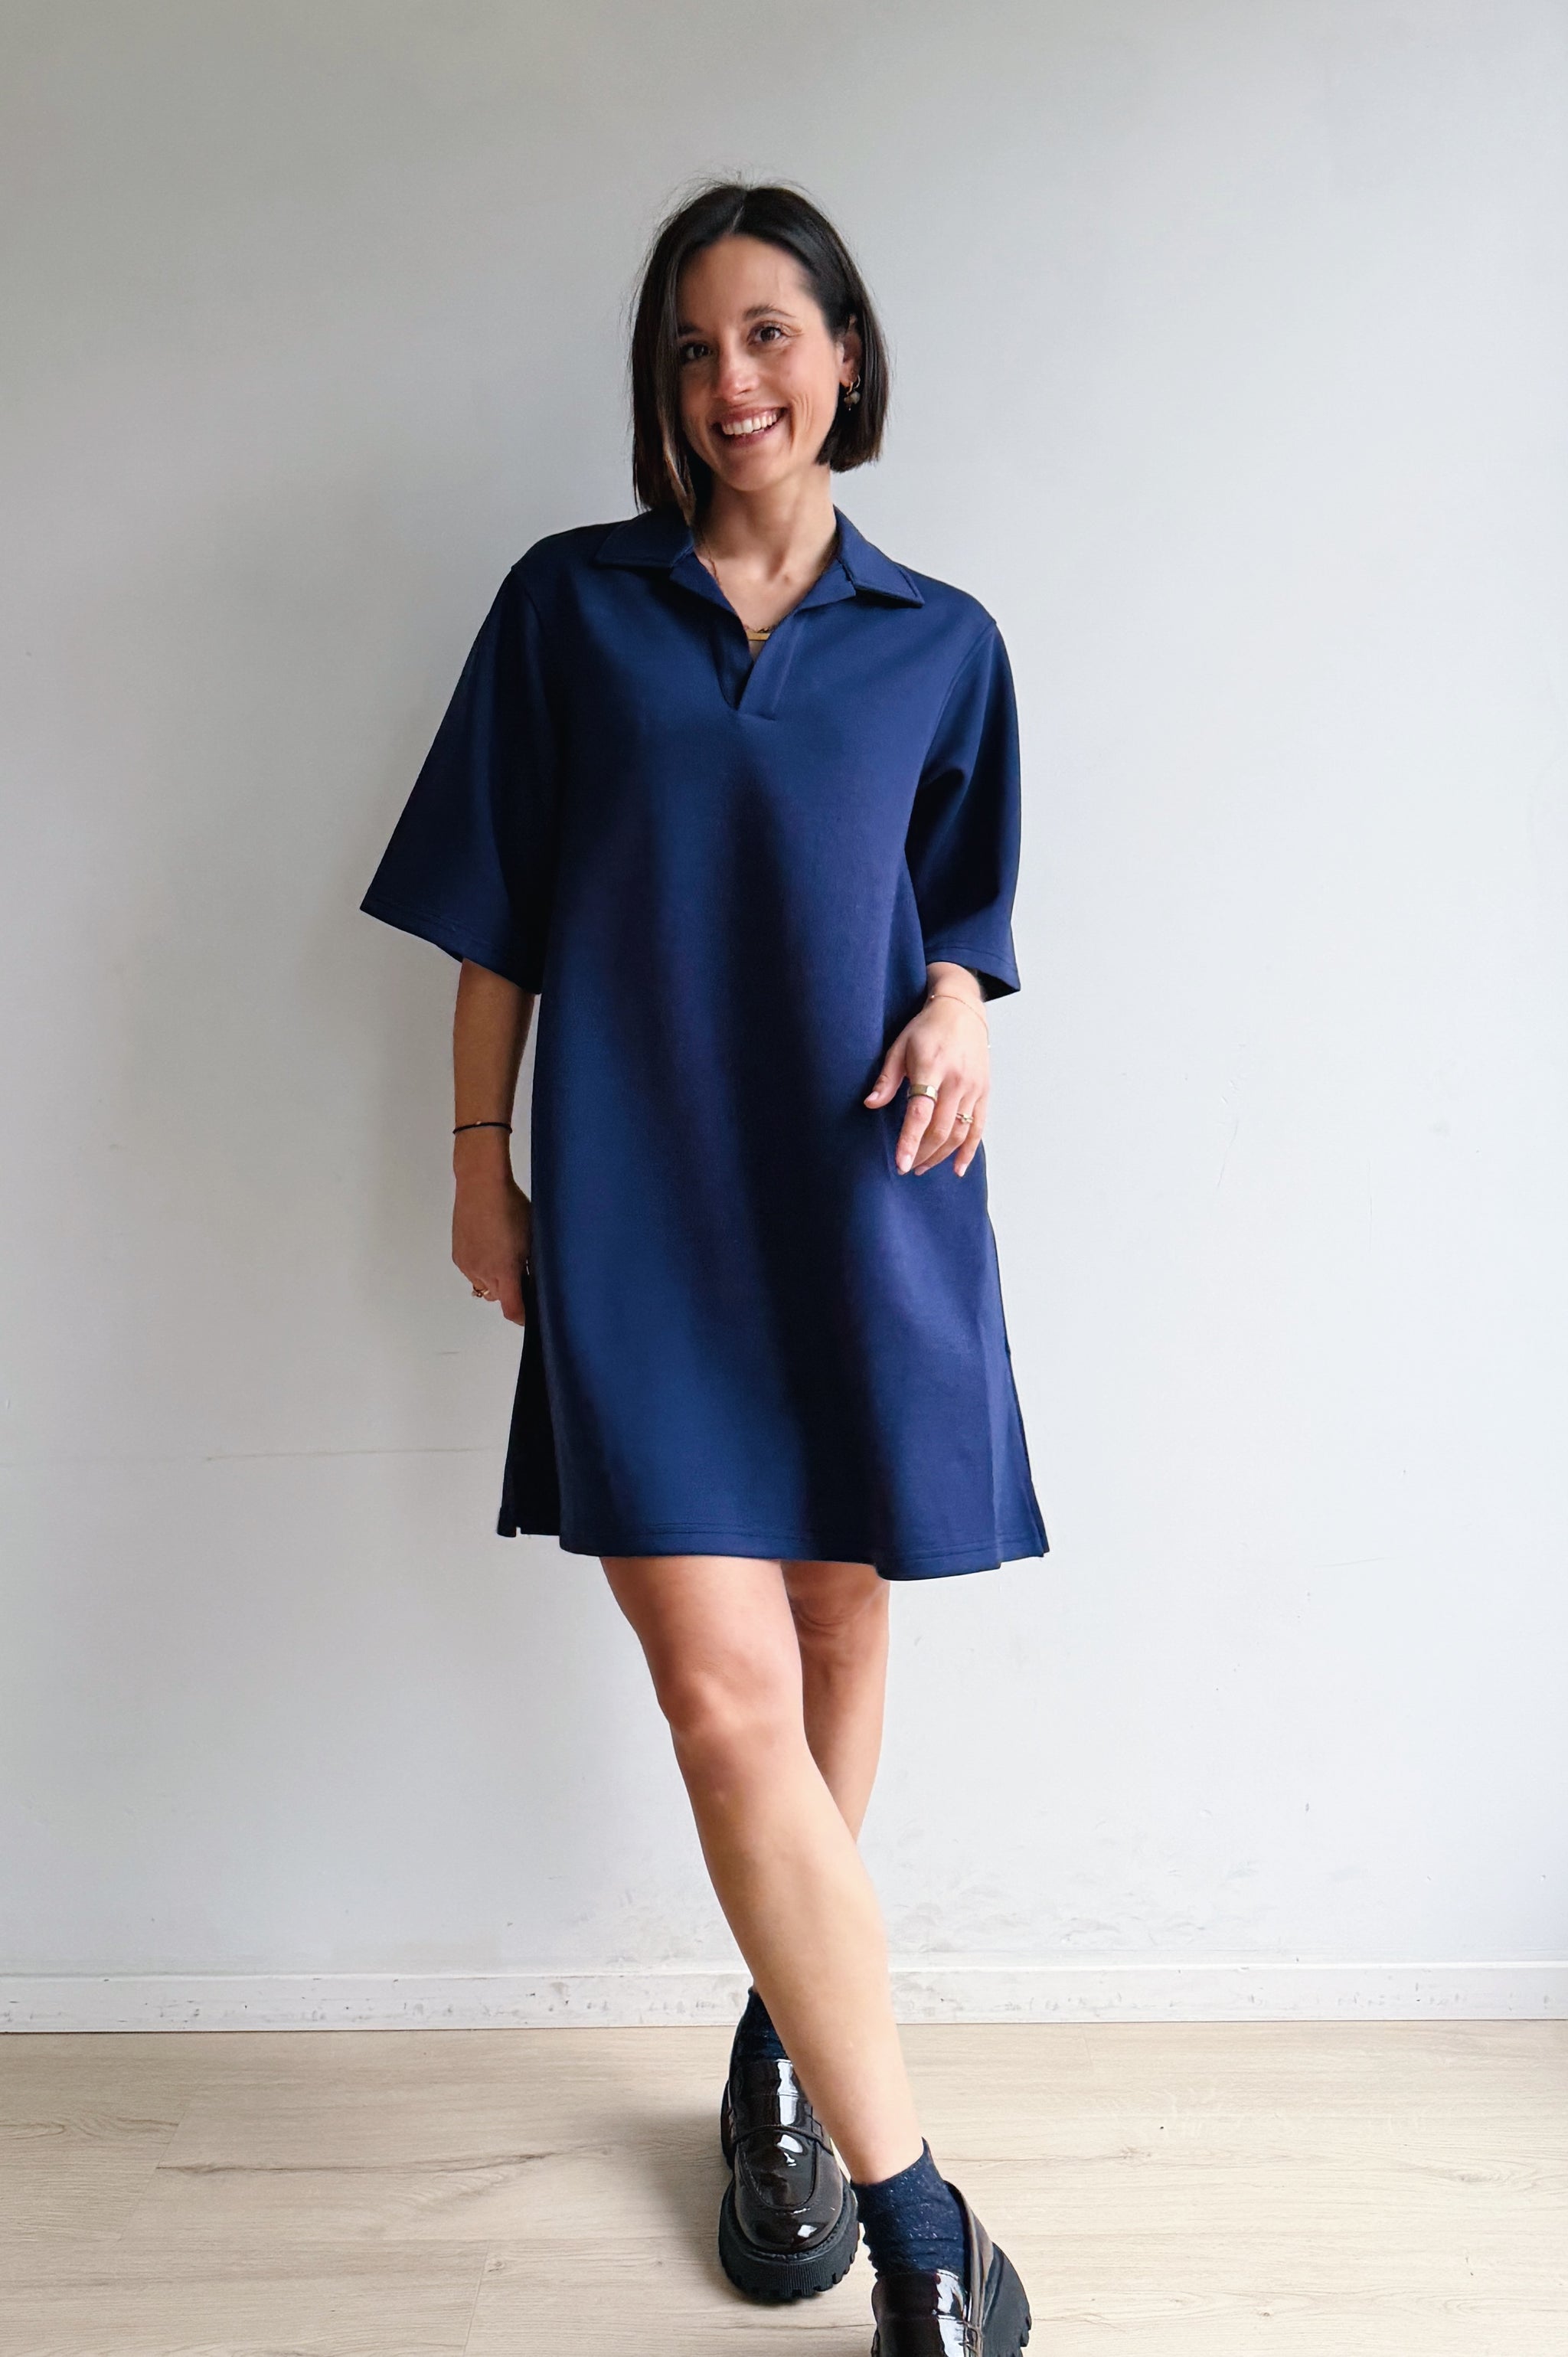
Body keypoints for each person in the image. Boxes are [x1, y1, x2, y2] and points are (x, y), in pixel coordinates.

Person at [361, 177, 1045, 2356]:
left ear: (844, 355)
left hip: (861, 1198)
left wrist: (963, 1004)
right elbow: (495, 915)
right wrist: (478, 1160)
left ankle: (784, 2050)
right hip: (642, 1206)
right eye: (690, 347)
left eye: (767, 334)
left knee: (838, 1619)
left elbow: (960, 920)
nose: (729, 380)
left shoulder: (943, 640)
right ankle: (924, 2227)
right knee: (717, 1688)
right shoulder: (569, 608)